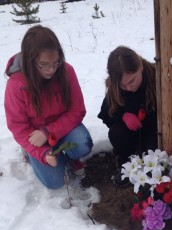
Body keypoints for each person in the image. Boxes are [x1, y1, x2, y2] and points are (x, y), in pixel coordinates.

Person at [4, 25, 93, 189]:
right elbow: (18, 128)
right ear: (30, 61)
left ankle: (69, 157)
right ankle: (30, 154)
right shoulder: (16, 85)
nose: (51, 69)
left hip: (61, 129)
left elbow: (77, 110)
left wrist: (48, 132)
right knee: (55, 183)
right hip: (35, 137)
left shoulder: (66, 72)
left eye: (55, 62)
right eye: (44, 64)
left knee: (83, 144)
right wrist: (42, 153)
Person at [98, 46, 158, 186]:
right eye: (123, 85)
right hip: (131, 132)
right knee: (116, 133)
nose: (129, 87)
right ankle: (128, 163)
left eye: (132, 81)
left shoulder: (156, 77)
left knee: (153, 151)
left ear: (141, 67)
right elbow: (106, 114)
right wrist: (123, 116)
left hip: (154, 129)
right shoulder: (115, 87)